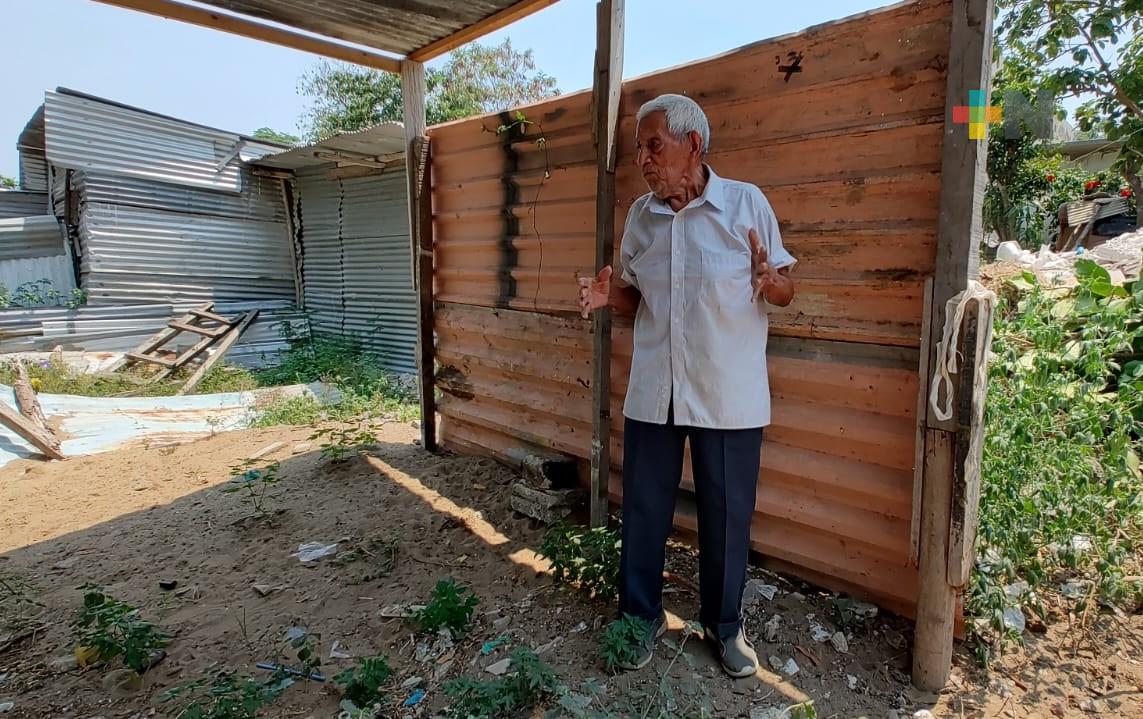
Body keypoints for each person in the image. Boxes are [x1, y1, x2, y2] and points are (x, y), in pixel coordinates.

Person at [577, 93, 796, 677]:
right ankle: (638, 619)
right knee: (645, 509)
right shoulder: (640, 217)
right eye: (639, 150)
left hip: (727, 392)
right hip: (656, 388)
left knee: (727, 514)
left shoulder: (746, 204)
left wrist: (771, 281)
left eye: (654, 146)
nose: (644, 161)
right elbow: (632, 294)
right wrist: (607, 297)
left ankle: (725, 628)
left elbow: (783, 289)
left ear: (692, 145)